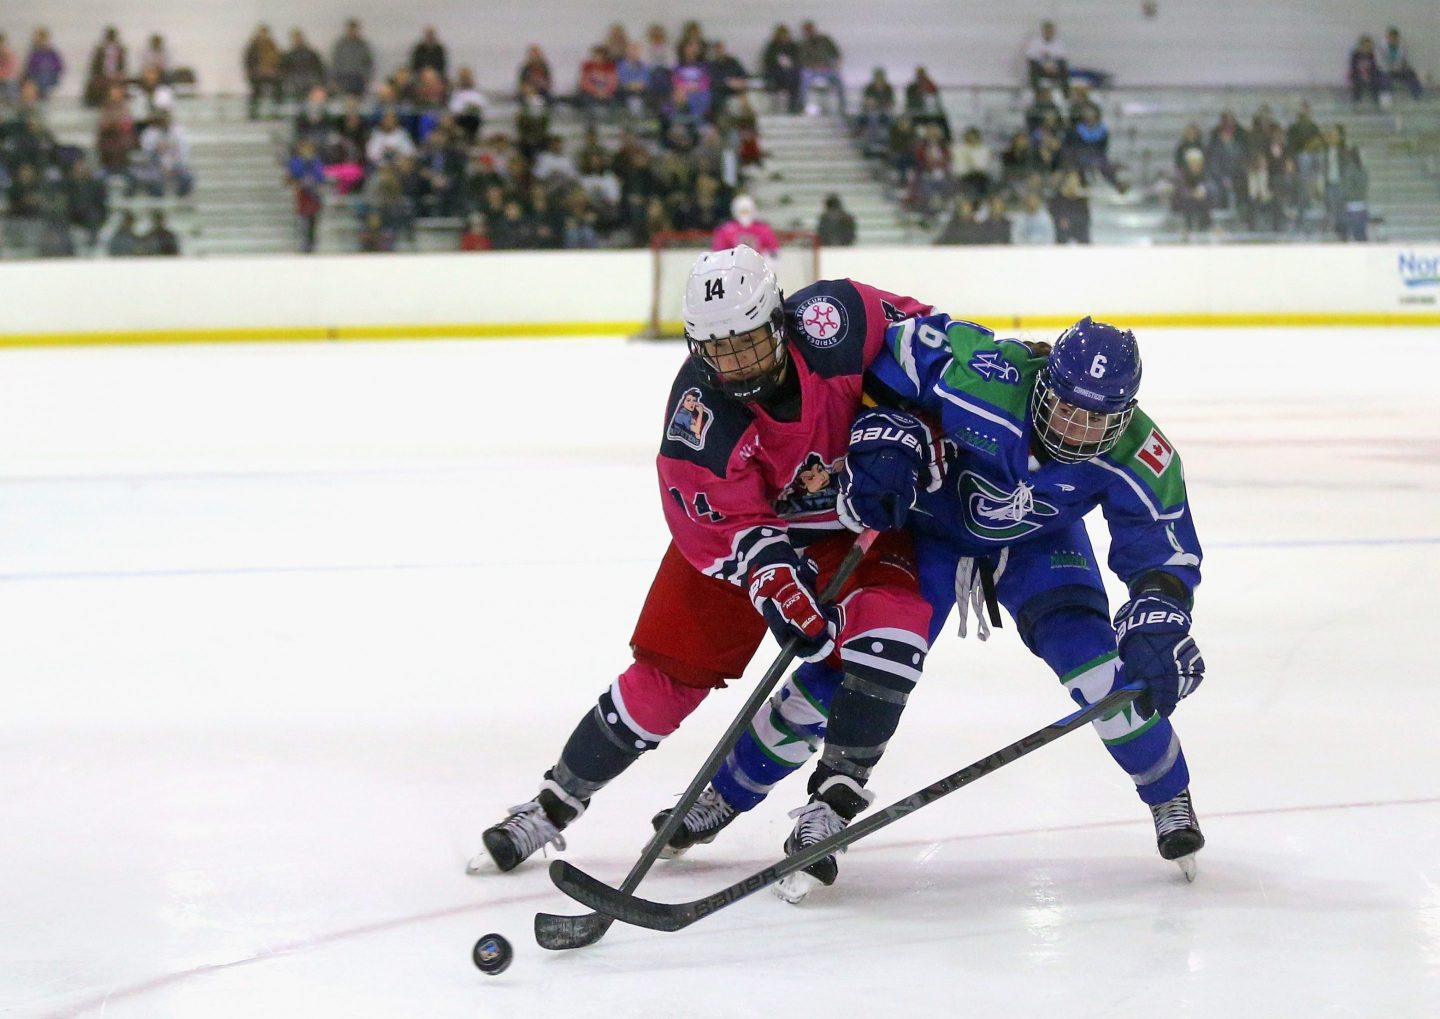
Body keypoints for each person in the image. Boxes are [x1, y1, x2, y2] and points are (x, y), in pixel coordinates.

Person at [660, 315, 1207, 900]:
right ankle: (727, 795)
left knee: (1101, 672)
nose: (1075, 430)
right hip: (932, 535)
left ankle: (1169, 795)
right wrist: (888, 436)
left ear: (1126, 413)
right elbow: (888, 362)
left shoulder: (1141, 454)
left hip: (1039, 546)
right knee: (854, 664)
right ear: (1043, 379)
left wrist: (1160, 616)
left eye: (1097, 418)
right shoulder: (984, 373)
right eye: (1066, 407)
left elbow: (1161, 554)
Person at [469, 246, 938, 875]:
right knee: (666, 680)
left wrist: (917, 425)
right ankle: (553, 803)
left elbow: (938, 345)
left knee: (891, 633)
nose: (737, 365)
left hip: (850, 531)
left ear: (781, 321)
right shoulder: (699, 415)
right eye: (719, 352)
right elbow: (710, 520)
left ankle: (832, 801)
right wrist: (769, 572)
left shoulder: (838, 317)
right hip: (742, 543)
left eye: (749, 344)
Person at [712, 194, 779, 257]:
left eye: (747, 210)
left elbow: (773, 252)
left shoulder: (764, 230)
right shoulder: (725, 230)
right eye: (742, 211)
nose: (745, 214)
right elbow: (718, 253)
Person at [1025, 20, 1070, 99]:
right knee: (1033, 70)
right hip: (1040, 70)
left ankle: (1066, 96)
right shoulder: (1035, 43)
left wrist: (1054, 66)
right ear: (1043, 31)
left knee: (1065, 70)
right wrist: (1043, 66)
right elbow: (1031, 57)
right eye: (1046, 30)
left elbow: (1062, 58)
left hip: (1054, 70)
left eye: (1051, 31)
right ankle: (1037, 96)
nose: (1049, 32)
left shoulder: (1059, 43)